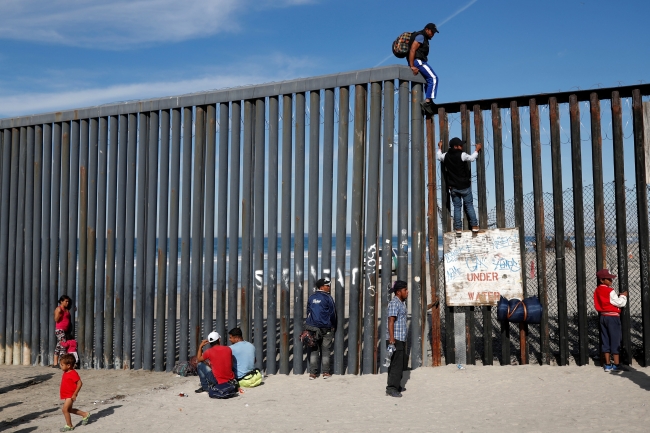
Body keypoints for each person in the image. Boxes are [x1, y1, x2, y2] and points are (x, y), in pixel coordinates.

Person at [437, 137, 482, 235]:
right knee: (469, 206)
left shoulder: (446, 156)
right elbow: (472, 158)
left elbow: (439, 156)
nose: (462, 146)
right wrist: (477, 150)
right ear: (455, 146)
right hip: (464, 186)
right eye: (460, 145)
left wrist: (439, 147)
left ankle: (458, 228)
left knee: (457, 207)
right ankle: (474, 226)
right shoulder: (462, 155)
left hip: (453, 187)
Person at [593, 269, 628, 372]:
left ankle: (607, 364)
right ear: (602, 280)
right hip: (613, 317)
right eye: (608, 279)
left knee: (605, 339)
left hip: (603, 316)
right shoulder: (610, 290)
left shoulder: (597, 290)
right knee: (615, 339)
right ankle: (616, 364)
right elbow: (619, 303)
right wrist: (623, 296)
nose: (611, 281)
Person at [305, 277, 337, 380]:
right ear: (321, 287)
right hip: (326, 327)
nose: (329, 287)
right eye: (327, 285)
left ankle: (313, 374)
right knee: (326, 350)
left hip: (313, 327)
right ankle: (326, 373)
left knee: (314, 349)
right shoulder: (328, 298)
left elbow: (308, 312)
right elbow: (333, 314)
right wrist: (334, 325)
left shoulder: (311, 297)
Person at [408, 23, 440, 116]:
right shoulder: (421, 37)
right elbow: (413, 50)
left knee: (428, 79)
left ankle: (429, 100)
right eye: (432, 32)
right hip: (418, 61)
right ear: (427, 29)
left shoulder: (422, 37)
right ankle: (427, 102)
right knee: (433, 78)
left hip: (418, 61)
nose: (433, 34)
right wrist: (412, 66)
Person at [195, 331, 238, 398]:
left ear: (209, 342)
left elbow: (198, 359)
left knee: (200, 365)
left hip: (218, 381)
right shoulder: (228, 349)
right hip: (230, 380)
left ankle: (205, 387)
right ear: (219, 340)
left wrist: (200, 346)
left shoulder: (209, 352)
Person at [386, 280, 408, 398]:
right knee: (396, 364)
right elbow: (391, 321)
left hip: (400, 338)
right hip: (395, 338)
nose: (407, 292)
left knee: (398, 364)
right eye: (405, 290)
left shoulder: (401, 302)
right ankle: (391, 388)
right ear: (399, 292)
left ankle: (396, 385)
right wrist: (392, 339)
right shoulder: (394, 303)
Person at [58, 353, 90, 431]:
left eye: (62, 365)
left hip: (70, 395)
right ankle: (85, 414)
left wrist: (75, 394)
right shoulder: (66, 372)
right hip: (66, 395)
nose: (60, 366)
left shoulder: (73, 373)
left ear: (68, 365)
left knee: (64, 410)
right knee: (69, 410)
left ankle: (70, 425)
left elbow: (80, 383)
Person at [53, 295, 73, 368]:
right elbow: (56, 319)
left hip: (65, 330)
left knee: (58, 346)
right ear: (61, 301)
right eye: (66, 301)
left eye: (68, 301)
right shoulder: (59, 309)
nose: (67, 303)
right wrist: (59, 312)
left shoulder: (67, 310)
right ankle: (62, 363)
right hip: (60, 330)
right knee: (63, 345)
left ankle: (55, 363)